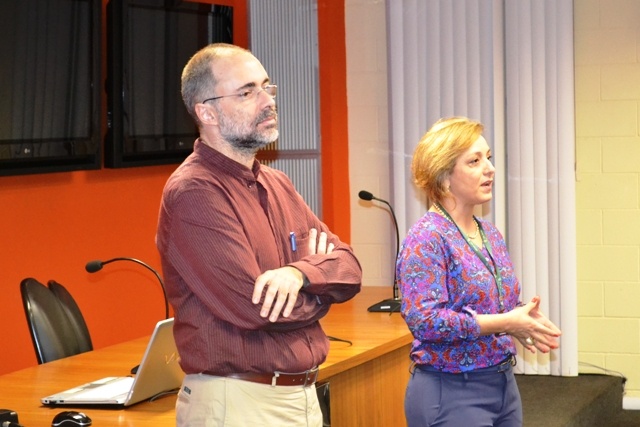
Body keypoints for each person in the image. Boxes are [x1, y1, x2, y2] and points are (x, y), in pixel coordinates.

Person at [156, 43, 362, 427]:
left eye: (267, 87)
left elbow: (350, 269)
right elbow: (255, 308)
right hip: (238, 404)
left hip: (298, 397)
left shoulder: (276, 182)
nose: (267, 100)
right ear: (207, 112)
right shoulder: (195, 192)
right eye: (248, 92)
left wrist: (299, 275)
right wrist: (321, 290)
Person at [396, 117, 562, 427]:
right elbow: (426, 322)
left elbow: (489, 303)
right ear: (444, 177)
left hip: (502, 384)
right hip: (451, 392)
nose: (490, 168)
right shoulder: (427, 237)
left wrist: (520, 319)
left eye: (488, 157)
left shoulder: (489, 233)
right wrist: (505, 321)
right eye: (474, 161)